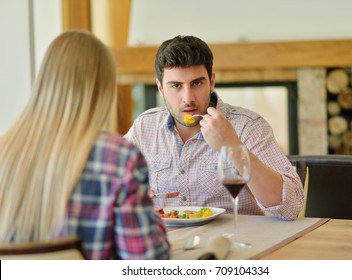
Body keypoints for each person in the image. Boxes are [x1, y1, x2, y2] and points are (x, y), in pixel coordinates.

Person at [0, 30, 170, 259]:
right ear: (103, 88)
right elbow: (147, 263)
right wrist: (151, 218)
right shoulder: (119, 159)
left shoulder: (5, 152)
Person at [124, 35, 305, 221]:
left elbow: (291, 208)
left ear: (211, 82)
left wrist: (233, 147)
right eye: (176, 86)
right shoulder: (144, 127)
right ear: (161, 88)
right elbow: (110, 181)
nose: (188, 98)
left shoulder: (249, 126)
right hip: (170, 244)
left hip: (237, 243)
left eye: (197, 83)